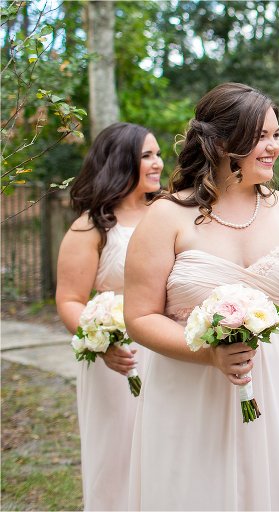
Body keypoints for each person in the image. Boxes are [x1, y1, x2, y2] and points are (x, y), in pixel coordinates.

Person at [123, 83, 279, 510]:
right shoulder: (167, 216)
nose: (273, 146)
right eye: (261, 136)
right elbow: (139, 316)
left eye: (276, 135)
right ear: (222, 142)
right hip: (194, 387)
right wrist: (208, 355)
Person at [55, 122, 163, 510]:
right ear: (121, 162)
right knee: (117, 455)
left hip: (168, 347)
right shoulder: (91, 226)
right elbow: (69, 299)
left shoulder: (168, 213)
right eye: (147, 156)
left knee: (165, 449)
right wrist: (103, 344)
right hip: (119, 358)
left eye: (157, 154)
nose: (158, 163)